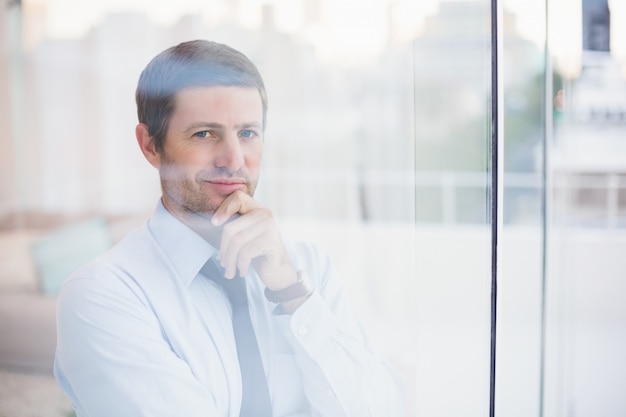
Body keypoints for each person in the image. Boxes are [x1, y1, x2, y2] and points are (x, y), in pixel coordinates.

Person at [54, 39, 403, 417]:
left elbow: (378, 408)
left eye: (248, 133)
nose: (234, 159)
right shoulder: (103, 294)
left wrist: (291, 292)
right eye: (205, 134)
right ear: (150, 146)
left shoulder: (305, 269)